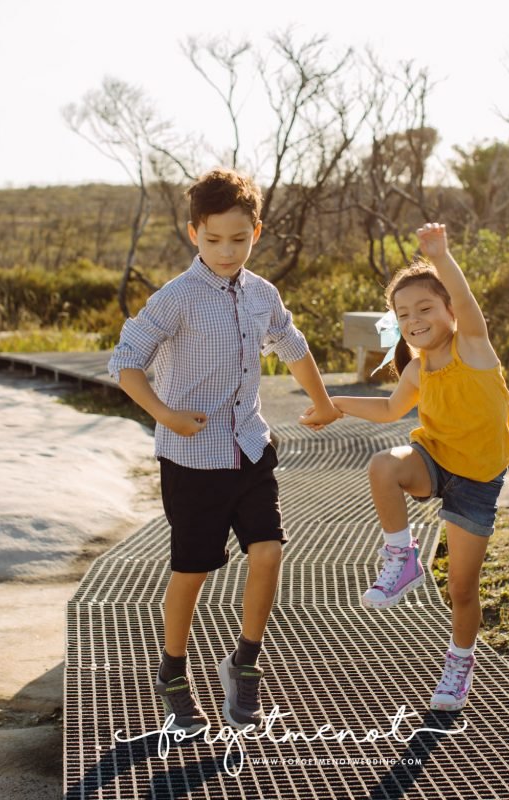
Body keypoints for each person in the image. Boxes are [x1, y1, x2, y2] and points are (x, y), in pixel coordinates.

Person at [108, 168, 340, 734]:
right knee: (193, 571)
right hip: (192, 459)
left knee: (268, 553)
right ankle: (173, 671)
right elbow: (124, 363)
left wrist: (323, 401)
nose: (227, 250)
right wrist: (164, 414)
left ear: (256, 231)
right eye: (214, 239)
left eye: (238, 239)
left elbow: (291, 342)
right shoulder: (177, 298)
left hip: (251, 446)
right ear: (194, 234)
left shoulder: (263, 294)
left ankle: (245, 662)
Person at [301, 222, 509, 711]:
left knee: (462, 588)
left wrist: (440, 256)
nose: (415, 319)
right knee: (382, 465)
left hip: (478, 480)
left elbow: (464, 299)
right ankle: (403, 559)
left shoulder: (472, 347)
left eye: (425, 308)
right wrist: (334, 404)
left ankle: (460, 663)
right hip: (434, 459)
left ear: (447, 312)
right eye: (404, 314)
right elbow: (390, 411)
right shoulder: (417, 369)